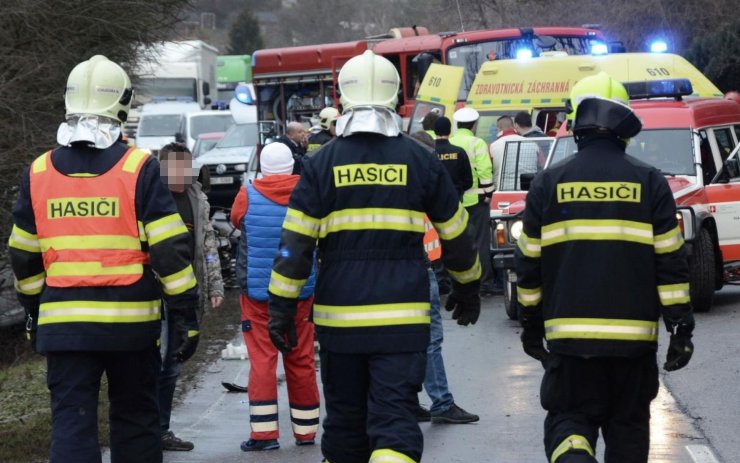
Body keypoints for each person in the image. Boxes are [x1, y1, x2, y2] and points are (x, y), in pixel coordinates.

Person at [267, 50, 481, 463]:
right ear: (393, 94)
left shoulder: (320, 163)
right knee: (396, 421)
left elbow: (294, 246)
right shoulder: (420, 159)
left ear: (343, 97)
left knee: (345, 424)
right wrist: (468, 284)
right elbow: (456, 232)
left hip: (339, 322)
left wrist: (281, 308)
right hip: (403, 322)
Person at [8, 55, 199, 463]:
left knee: (72, 425)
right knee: (136, 422)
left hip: (63, 327)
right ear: (123, 103)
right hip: (130, 326)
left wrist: (31, 313)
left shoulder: (38, 172)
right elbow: (169, 250)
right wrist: (185, 313)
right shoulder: (138, 167)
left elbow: (23, 256)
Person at [515, 72, 695, 463]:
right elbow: (671, 263)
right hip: (633, 348)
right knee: (628, 430)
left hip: (570, 345)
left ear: (575, 124)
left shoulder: (548, 183)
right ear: (624, 127)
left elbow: (527, 263)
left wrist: (531, 323)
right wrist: (680, 326)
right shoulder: (650, 182)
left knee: (568, 420)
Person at [230, 142, 320, 452]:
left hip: (258, 294)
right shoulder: (308, 193)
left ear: (262, 166)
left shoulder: (248, 194)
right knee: (302, 360)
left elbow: (236, 220)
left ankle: (264, 435)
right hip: (300, 291)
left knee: (263, 362)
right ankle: (307, 432)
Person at [157, 143, 224, 451]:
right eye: (174, 169)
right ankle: (143, 430)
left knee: (173, 364)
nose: (180, 175)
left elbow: (208, 246)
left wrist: (214, 285)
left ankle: (161, 429)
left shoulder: (197, 199)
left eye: (185, 168)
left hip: (186, 293)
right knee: (154, 363)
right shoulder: (152, 197)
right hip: (154, 296)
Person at [416, 218, 479, 424]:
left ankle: (407, 401)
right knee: (430, 339)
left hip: (386, 272)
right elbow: (455, 230)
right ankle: (442, 402)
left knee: (400, 340)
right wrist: (466, 286)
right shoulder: (416, 186)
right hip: (417, 268)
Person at [449, 107, 497, 296]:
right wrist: (488, 193)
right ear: (474, 125)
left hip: (455, 201)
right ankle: (484, 282)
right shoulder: (477, 143)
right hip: (477, 201)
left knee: (457, 242)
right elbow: (485, 171)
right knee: (480, 242)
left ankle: (460, 282)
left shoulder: (451, 142)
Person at [489, 115, 525, 190]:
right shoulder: (532, 143)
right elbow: (542, 166)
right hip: (526, 189)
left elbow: (487, 170)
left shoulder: (492, 147)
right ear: (513, 126)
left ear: (498, 128)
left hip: (501, 190)